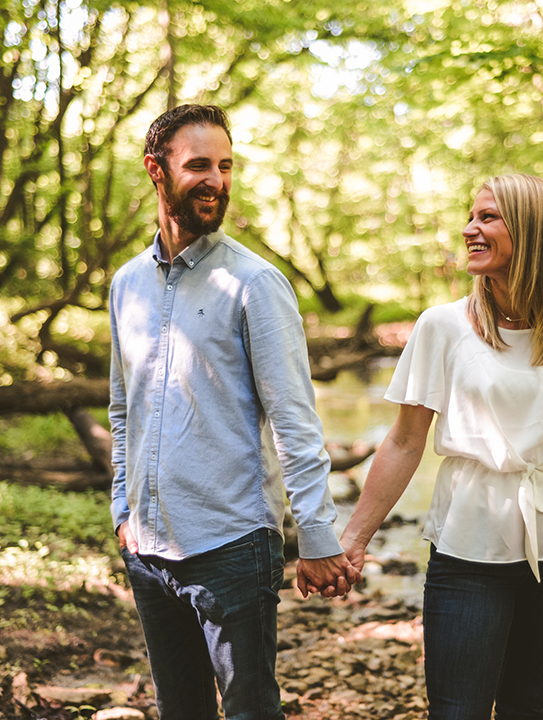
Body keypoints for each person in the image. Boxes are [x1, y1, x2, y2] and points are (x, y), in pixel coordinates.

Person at [337, 174, 543, 720]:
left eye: (488, 218)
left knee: (527, 707)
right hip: (469, 546)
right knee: (457, 711)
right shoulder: (441, 327)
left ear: (533, 231)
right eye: (471, 217)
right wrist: (354, 539)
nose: (470, 229)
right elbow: (404, 442)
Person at [108, 104, 357, 720]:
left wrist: (317, 537)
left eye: (224, 166)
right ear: (155, 171)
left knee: (250, 711)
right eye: (198, 165)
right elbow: (123, 410)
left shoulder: (256, 283)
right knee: (180, 710)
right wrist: (121, 505)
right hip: (148, 548)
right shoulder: (125, 285)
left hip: (232, 546)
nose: (215, 179)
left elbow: (295, 420)